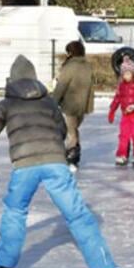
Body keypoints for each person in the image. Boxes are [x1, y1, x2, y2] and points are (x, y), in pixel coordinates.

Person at [0, 55, 130, 268]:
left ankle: (2, 263)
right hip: (55, 163)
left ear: (11, 80)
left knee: (15, 211)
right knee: (77, 214)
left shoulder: (7, 104)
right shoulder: (47, 101)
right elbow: (62, 130)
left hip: (24, 165)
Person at [50, 40, 94, 170]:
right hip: (83, 104)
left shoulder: (69, 66)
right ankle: (74, 154)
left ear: (70, 52)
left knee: (71, 132)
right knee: (74, 130)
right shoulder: (87, 65)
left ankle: (71, 156)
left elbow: (61, 86)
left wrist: (53, 101)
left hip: (70, 103)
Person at [107, 57, 134, 167]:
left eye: (128, 74)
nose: (126, 76)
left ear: (133, 73)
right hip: (125, 114)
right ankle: (122, 155)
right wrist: (112, 110)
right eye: (124, 74)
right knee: (123, 135)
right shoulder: (122, 85)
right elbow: (117, 98)